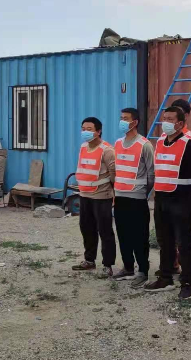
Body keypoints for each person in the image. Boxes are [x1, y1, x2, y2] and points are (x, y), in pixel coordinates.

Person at [144, 106, 191, 299]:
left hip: (181, 200)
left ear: (180, 123)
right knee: (164, 240)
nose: (165, 122)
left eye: (170, 119)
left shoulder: (190, 145)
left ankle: (187, 283)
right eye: (164, 118)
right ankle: (165, 277)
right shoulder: (160, 142)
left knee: (184, 243)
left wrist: (185, 194)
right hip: (161, 199)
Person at [112, 108, 155, 288]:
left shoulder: (145, 145)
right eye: (121, 118)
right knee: (123, 235)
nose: (122, 121)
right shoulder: (117, 143)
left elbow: (151, 174)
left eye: (126, 118)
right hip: (120, 197)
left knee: (139, 237)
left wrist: (142, 192)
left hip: (137, 199)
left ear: (135, 122)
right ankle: (128, 267)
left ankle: (143, 271)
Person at [72, 117, 117, 277]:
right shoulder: (83, 147)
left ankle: (108, 265)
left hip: (101, 196)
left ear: (98, 131)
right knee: (86, 228)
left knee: (105, 231)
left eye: (89, 129)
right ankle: (89, 260)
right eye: (83, 128)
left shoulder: (107, 150)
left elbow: (114, 174)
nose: (85, 132)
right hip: (84, 194)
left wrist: (113, 194)